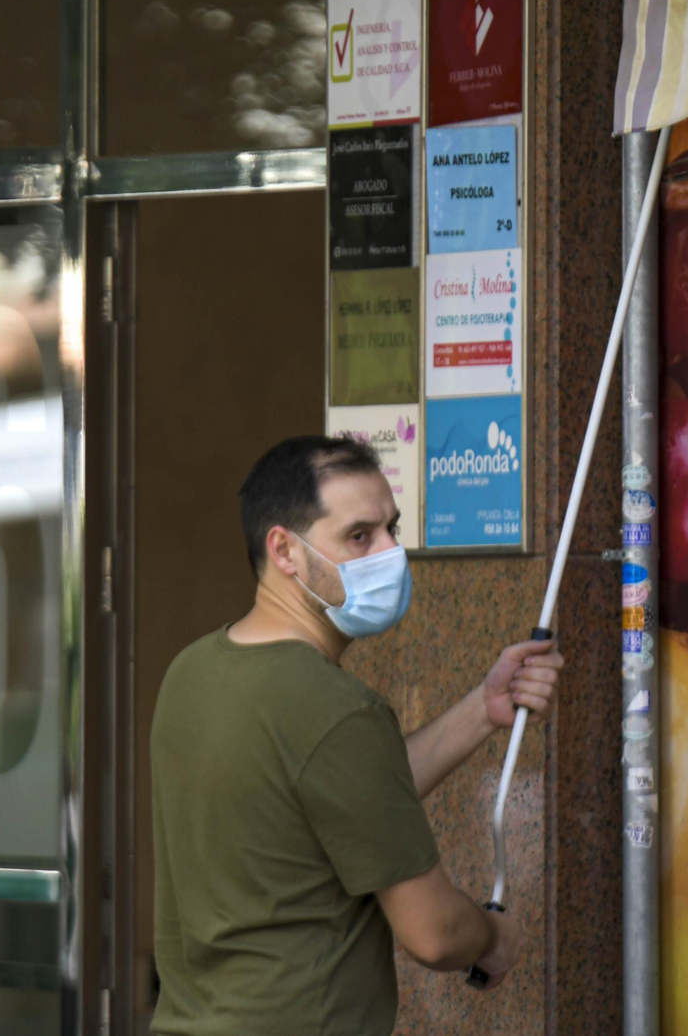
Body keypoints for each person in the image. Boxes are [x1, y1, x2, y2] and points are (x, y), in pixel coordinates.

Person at [150, 435, 564, 1035]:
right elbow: (433, 933)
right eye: (359, 536)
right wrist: (493, 934)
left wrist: (484, 707)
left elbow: (344, 800)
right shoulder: (337, 710)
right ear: (284, 551)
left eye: (393, 529)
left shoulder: (192, 671)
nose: (391, 553)